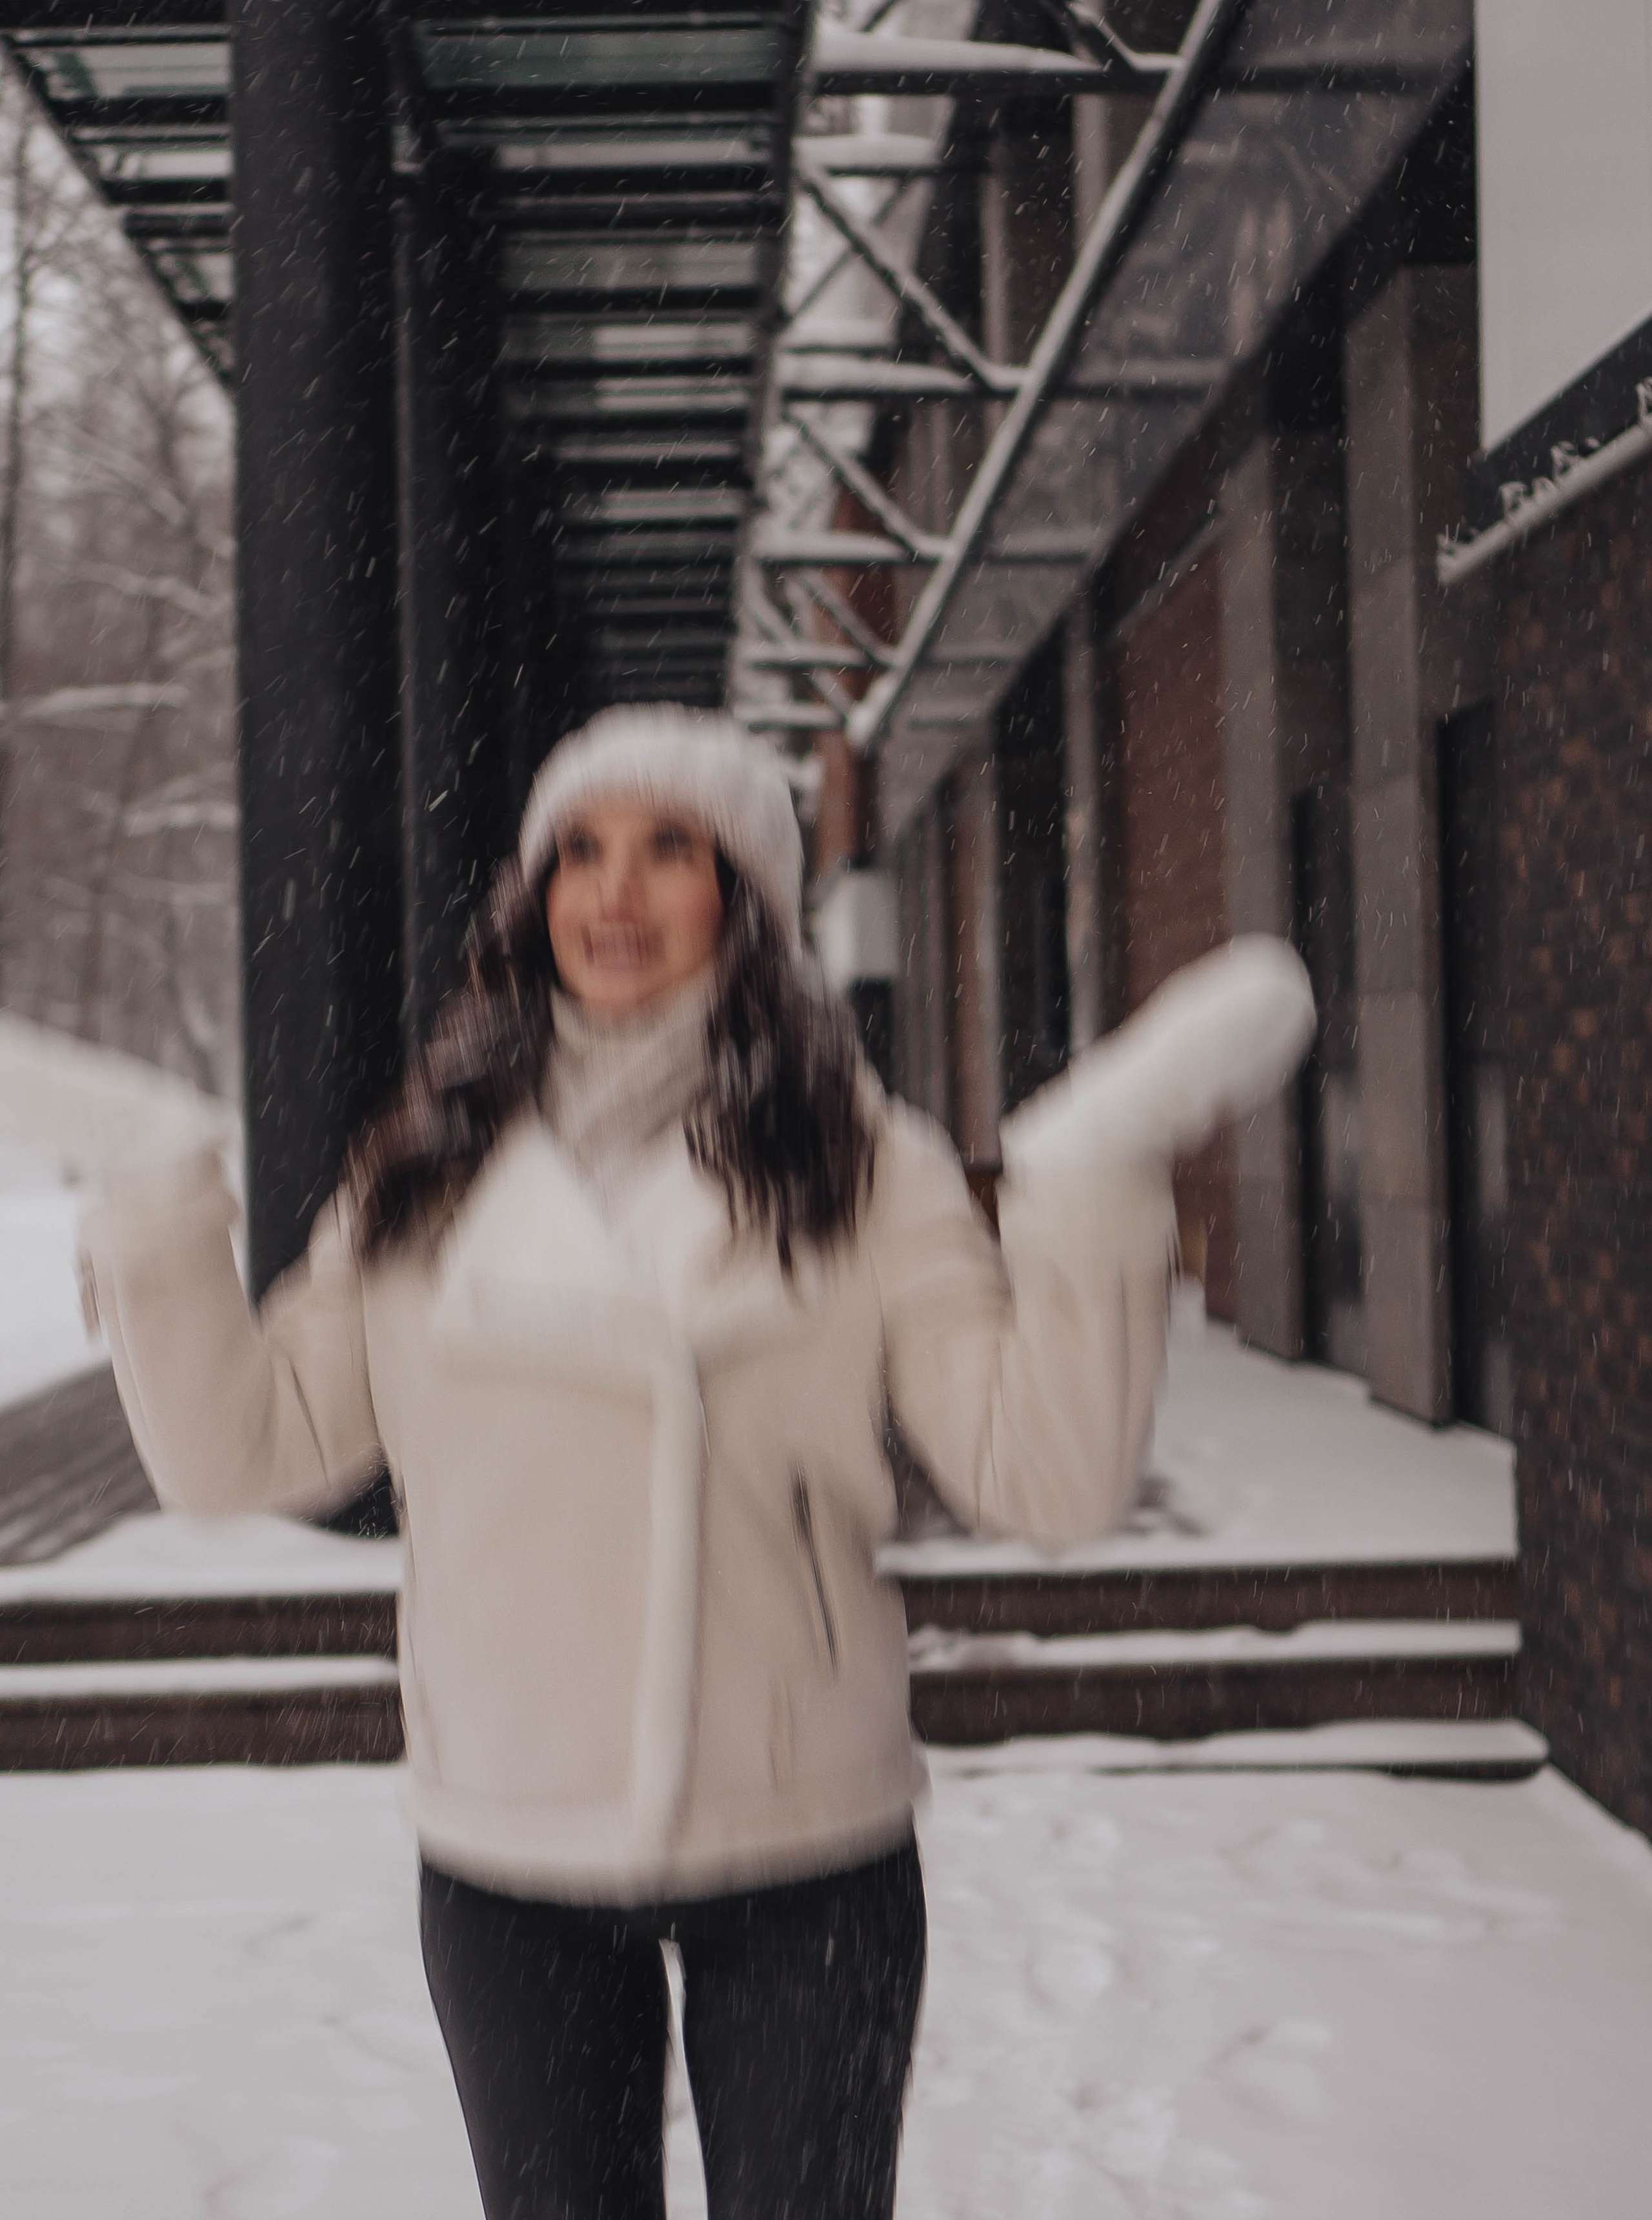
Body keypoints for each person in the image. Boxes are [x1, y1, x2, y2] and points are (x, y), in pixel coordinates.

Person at [78, 705, 1316, 2220]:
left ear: (745, 896)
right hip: (507, 1844)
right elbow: (239, 1451)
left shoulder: (859, 1157)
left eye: (672, 849)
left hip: (805, 1843)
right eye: (579, 852)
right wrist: (149, 1206)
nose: (612, 895)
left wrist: (1087, 1183)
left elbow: (1042, 1477)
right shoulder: (422, 1165)